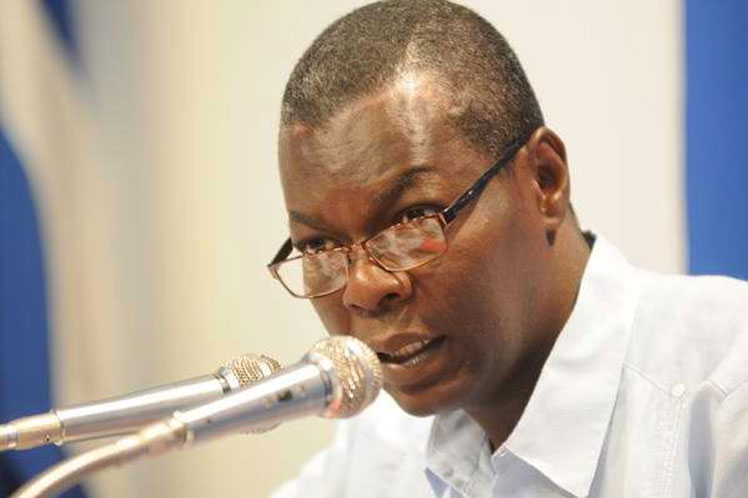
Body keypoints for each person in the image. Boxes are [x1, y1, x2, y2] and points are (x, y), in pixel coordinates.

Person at [267, 1, 748, 496]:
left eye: (412, 219)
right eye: (320, 244)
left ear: (544, 180)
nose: (363, 289)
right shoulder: (380, 449)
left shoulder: (728, 393)